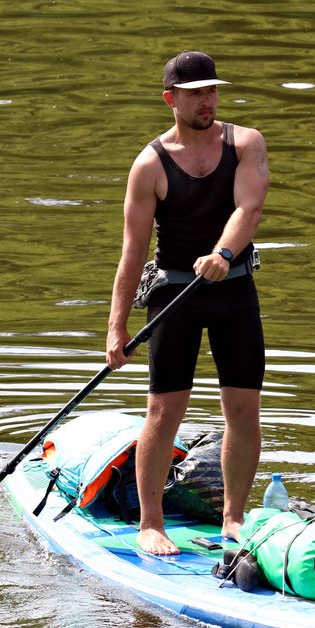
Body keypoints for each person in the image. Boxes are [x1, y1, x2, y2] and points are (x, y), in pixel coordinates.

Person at [106, 51, 270, 555]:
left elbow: (250, 206)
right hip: (173, 294)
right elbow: (132, 251)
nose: (207, 100)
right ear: (170, 99)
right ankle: (150, 524)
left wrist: (223, 253)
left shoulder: (244, 143)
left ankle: (234, 519)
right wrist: (116, 328)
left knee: (243, 408)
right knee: (164, 410)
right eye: (196, 92)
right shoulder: (150, 164)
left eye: (213, 90)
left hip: (234, 289)